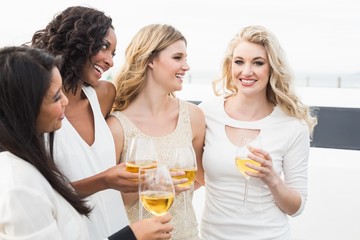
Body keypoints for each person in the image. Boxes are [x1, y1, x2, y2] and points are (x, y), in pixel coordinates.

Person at [0, 46, 173, 240]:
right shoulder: (19, 185)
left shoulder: (32, 162)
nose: (66, 101)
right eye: (57, 96)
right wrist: (132, 236)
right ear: (26, 106)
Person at [30, 6, 169, 239]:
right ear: (78, 41)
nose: (110, 61)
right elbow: (40, 196)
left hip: (119, 229)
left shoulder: (103, 95)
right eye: (104, 47)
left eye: (114, 53)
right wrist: (104, 180)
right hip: (71, 232)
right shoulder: (38, 109)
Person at [198, 25, 318, 239]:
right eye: (239, 62)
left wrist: (272, 178)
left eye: (258, 63)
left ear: (272, 68)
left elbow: (296, 207)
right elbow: (195, 174)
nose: (246, 72)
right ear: (230, 65)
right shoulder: (206, 113)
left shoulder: (292, 126)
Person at [107, 24, 206, 240]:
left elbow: (201, 177)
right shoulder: (117, 126)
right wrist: (158, 185)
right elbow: (108, 200)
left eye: (185, 58)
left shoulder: (193, 116)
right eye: (177, 58)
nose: (186, 66)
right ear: (150, 60)